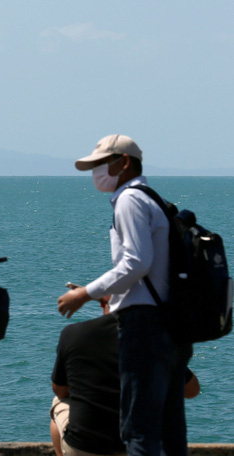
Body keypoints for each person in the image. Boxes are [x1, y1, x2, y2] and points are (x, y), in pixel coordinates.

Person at [57, 134, 194, 456]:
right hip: (170, 324)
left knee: (139, 430)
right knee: (170, 431)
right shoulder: (153, 199)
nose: (96, 173)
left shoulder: (130, 199)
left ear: (124, 162)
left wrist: (85, 294)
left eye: (101, 164)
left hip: (144, 326)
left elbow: (136, 262)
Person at [50, 300, 201, 456]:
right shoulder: (155, 339)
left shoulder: (73, 333)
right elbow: (192, 391)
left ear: (103, 303)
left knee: (58, 402)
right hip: (141, 447)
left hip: (85, 448)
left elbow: (60, 390)